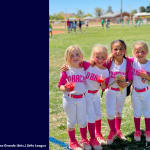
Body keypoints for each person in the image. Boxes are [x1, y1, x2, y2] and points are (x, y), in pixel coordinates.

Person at [58, 45, 91, 150]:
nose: (75, 57)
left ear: (81, 56)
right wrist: (65, 88)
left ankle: (84, 139)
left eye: (77, 54)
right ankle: (72, 141)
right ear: (67, 58)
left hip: (82, 98)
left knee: (82, 120)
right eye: (72, 55)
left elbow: (93, 65)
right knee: (71, 121)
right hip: (69, 98)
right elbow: (60, 85)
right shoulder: (66, 70)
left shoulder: (84, 68)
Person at [105, 40, 133, 144]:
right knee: (110, 113)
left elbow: (130, 79)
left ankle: (118, 130)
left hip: (121, 91)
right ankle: (112, 131)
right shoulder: (108, 62)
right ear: (111, 51)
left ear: (125, 50)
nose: (118, 51)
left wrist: (125, 84)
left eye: (121, 49)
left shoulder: (128, 62)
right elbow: (97, 63)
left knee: (118, 112)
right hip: (110, 91)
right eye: (115, 49)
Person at [84, 45, 109, 147]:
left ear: (106, 58)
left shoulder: (105, 71)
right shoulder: (88, 65)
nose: (100, 60)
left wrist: (102, 83)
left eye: (102, 57)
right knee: (90, 116)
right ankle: (92, 138)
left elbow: (103, 87)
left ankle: (98, 134)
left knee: (98, 115)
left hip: (95, 94)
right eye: (97, 57)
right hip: (86, 94)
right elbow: (75, 65)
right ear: (92, 56)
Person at [131, 41, 150, 142]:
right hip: (135, 92)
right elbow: (122, 59)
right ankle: (137, 131)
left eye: (142, 51)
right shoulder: (133, 62)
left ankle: (148, 131)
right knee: (136, 112)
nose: (140, 54)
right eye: (137, 52)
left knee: (147, 112)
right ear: (134, 53)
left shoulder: (149, 63)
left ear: (147, 52)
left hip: (146, 92)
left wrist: (146, 76)